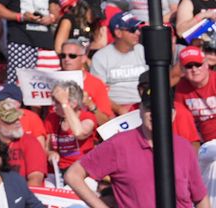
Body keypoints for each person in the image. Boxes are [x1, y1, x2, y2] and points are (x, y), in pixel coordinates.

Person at [65, 84, 210, 208]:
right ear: (140, 111)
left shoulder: (184, 147)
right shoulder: (119, 144)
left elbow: (200, 197)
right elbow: (73, 175)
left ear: (172, 114)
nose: (155, 114)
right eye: (149, 108)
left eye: (161, 108)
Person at [90, 12, 148, 114]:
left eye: (138, 29)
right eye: (132, 30)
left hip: (144, 105)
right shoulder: (101, 57)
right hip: (115, 109)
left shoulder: (143, 51)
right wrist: (119, 110)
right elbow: (99, 93)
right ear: (118, 33)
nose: (138, 33)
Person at [0, 99, 46, 185]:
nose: (18, 122)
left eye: (17, 118)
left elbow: (35, 180)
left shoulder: (30, 142)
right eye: (11, 120)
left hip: (25, 194)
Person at [43, 80, 96, 172]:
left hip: (82, 170)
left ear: (73, 104)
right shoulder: (51, 118)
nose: (54, 106)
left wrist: (64, 103)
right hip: (57, 170)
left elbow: (79, 133)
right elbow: (46, 148)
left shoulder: (87, 117)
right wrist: (50, 153)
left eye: (57, 102)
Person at [175, 45, 216, 144]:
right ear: (182, 70)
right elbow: (184, 122)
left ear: (206, 64)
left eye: (198, 64)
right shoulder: (181, 89)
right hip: (203, 143)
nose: (194, 69)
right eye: (189, 66)